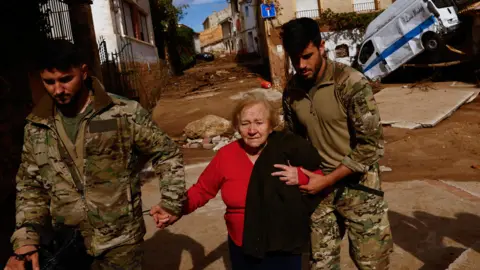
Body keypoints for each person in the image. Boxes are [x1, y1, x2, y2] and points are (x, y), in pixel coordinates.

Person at [4, 39, 186, 270]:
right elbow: (30, 185)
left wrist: (172, 201)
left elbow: (166, 153)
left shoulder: (123, 113)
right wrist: (26, 239)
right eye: (48, 82)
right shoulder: (36, 126)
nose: (58, 90)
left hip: (121, 242)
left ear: (83, 71)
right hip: (68, 243)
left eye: (65, 79)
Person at [151, 93, 325, 270]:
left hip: (284, 242)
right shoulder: (227, 156)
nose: (252, 130)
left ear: (271, 126)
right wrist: (174, 208)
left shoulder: (289, 149)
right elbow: (202, 190)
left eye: (259, 123)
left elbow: (319, 176)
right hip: (243, 244)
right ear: (237, 127)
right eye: (245, 123)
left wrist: (300, 176)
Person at [275, 18, 394, 270]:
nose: (301, 65)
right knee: (321, 264)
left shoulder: (350, 83)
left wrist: (328, 179)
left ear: (322, 47)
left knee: (371, 263)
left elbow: (371, 147)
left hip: (359, 190)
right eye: (294, 59)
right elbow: (294, 139)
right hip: (318, 192)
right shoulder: (292, 91)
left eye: (307, 56)